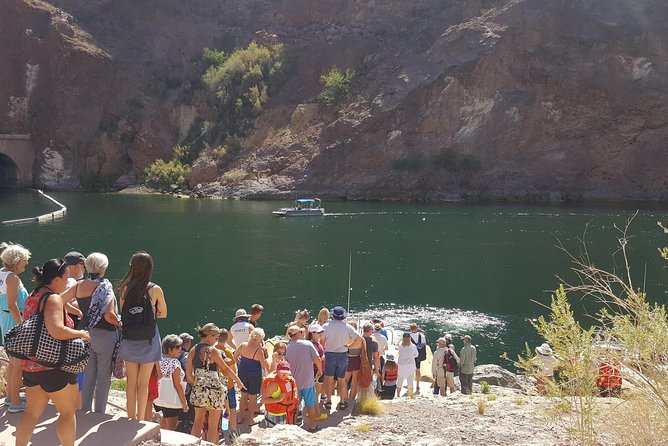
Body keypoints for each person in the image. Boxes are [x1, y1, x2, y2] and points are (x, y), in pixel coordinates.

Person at [15, 259, 91, 446]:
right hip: (54, 365)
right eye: (66, 277)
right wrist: (82, 333)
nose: (67, 281)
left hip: (32, 364)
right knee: (67, 412)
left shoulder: (34, 295)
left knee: (31, 413)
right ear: (56, 279)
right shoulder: (53, 299)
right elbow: (57, 330)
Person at [61, 252, 121, 414]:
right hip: (105, 335)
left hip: (85, 334)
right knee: (103, 376)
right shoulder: (105, 287)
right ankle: (99, 413)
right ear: (103, 268)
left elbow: (59, 300)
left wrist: (80, 313)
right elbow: (109, 315)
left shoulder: (79, 286)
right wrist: (120, 324)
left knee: (88, 376)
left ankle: (85, 410)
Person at [118, 252, 167, 420]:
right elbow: (164, 313)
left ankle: (130, 417)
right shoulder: (155, 289)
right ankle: (140, 419)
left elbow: (123, 313)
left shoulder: (124, 287)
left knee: (131, 382)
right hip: (149, 339)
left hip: (130, 337)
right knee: (143, 383)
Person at [187, 323, 244, 444]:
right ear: (210, 336)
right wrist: (238, 381)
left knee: (197, 422)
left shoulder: (193, 349)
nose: (216, 340)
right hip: (215, 392)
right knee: (213, 426)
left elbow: (188, 375)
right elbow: (225, 369)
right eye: (216, 337)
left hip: (198, 390)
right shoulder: (212, 351)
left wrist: (198, 385)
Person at [0, 242, 30, 413]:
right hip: (13, 320)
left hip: (4, 318)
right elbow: (12, 305)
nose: (25, 265)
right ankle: (15, 403)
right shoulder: (12, 278)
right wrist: (22, 326)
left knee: (12, 362)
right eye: (24, 261)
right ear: (17, 261)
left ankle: (11, 397)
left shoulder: (2, 274)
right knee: (17, 363)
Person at [286, 325, 324, 431]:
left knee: (295, 406)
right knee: (310, 404)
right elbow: (317, 358)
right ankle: (312, 425)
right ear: (297, 333)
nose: (304, 334)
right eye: (302, 332)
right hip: (308, 382)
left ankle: (294, 425)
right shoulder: (308, 344)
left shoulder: (289, 348)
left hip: (295, 383)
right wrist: (320, 371)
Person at [321, 306, 357, 411]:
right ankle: (342, 402)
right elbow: (358, 338)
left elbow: (322, 341)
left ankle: (328, 401)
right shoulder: (347, 327)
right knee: (342, 380)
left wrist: (324, 350)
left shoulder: (326, 326)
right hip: (342, 354)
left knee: (329, 379)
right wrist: (350, 345)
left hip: (329, 354)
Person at [234, 327, 269, 425]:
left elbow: (235, 356)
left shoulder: (243, 345)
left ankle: (240, 418)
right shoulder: (258, 350)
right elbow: (262, 365)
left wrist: (240, 364)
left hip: (242, 372)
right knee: (253, 397)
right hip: (254, 374)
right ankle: (250, 420)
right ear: (260, 339)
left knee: (244, 395)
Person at [154, 334, 188, 431]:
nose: (180, 349)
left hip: (159, 397)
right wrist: (184, 402)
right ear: (169, 349)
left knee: (164, 422)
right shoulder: (174, 362)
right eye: (177, 347)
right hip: (170, 399)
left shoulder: (158, 359)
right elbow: (177, 384)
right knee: (171, 428)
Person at [215, 329, 238, 434]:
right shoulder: (228, 352)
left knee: (220, 408)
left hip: (216, 384)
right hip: (228, 385)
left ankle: (221, 429)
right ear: (227, 338)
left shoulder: (212, 349)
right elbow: (233, 370)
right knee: (232, 408)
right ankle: (232, 430)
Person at [261, 360, 298, 426]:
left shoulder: (290, 380)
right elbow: (263, 400)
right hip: (273, 415)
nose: (284, 374)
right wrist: (278, 399)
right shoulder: (273, 384)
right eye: (282, 372)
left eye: (286, 373)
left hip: (286, 413)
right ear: (277, 371)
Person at [343, 322, 364, 402]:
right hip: (357, 359)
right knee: (355, 381)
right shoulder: (360, 338)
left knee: (345, 381)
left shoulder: (346, 337)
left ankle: (345, 398)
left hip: (347, 359)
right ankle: (352, 399)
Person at [307, 323, 326, 409]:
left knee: (316, 393)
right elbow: (312, 359)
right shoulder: (311, 344)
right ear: (313, 333)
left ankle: (313, 411)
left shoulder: (316, 343)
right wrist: (321, 358)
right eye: (319, 332)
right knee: (315, 393)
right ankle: (314, 412)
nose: (321, 334)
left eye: (321, 332)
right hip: (316, 371)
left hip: (319, 370)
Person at [361, 323, 380, 395]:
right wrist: (376, 369)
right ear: (369, 330)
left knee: (357, 383)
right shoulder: (374, 342)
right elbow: (375, 357)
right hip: (368, 364)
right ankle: (367, 399)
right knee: (368, 383)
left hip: (358, 364)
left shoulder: (359, 339)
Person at [408, 323, 427, 393]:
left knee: (410, 370)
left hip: (410, 355)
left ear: (411, 329)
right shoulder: (421, 335)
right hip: (418, 355)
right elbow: (424, 344)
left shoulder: (408, 336)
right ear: (416, 328)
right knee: (418, 370)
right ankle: (418, 385)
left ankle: (409, 384)